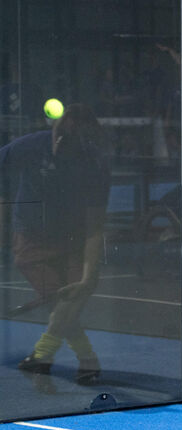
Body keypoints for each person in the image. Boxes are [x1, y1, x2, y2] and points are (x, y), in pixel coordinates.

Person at [1, 103, 110, 386]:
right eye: (58, 134)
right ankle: (79, 357)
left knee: (68, 300)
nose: (59, 142)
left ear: (84, 141)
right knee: (62, 302)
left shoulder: (95, 165)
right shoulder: (29, 146)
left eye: (68, 138)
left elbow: (95, 227)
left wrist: (88, 277)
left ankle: (43, 356)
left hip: (73, 241)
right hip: (31, 238)